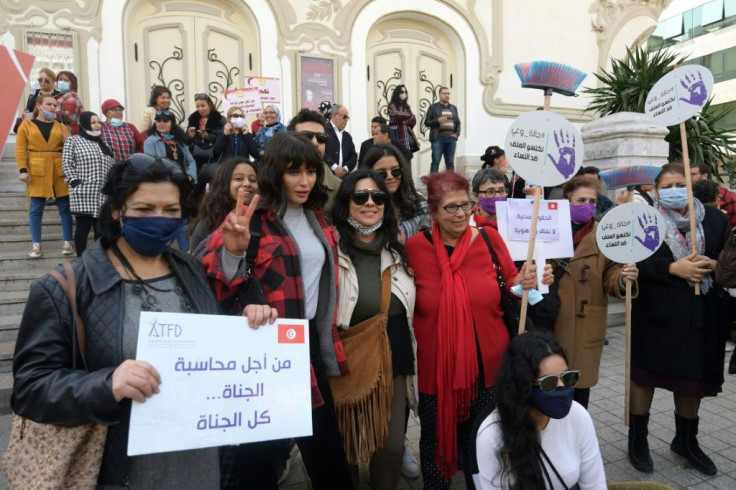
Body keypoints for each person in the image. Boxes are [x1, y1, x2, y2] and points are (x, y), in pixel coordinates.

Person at [11, 154, 275, 488]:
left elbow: (211, 344)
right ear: (118, 211)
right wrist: (106, 385)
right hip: (119, 473)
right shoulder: (64, 287)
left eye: (171, 211)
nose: (159, 219)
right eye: (144, 209)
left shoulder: (190, 269)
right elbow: (30, 389)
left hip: (200, 467)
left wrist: (250, 322)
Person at [201, 132, 353, 489]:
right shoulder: (250, 218)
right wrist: (233, 253)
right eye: (293, 171)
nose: (304, 181)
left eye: (311, 171)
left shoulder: (320, 218)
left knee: (329, 457)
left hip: (310, 347)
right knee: (258, 463)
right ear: (273, 173)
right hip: (262, 353)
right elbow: (212, 281)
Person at [405, 171, 551, 487]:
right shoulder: (415, 248)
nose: (461, 213)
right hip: (436, 369)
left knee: (482, 440)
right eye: (451, 207)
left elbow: (511, 283)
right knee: (432, 440)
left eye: (466, 205)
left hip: (489, 365)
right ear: (432, 211)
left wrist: (526, 281)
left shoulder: (488, 238)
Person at [629, 163, 730, 476]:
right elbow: (633, 265)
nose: (673, 189)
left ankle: (686, 440)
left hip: (702, 313)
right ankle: (638, 439)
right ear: (657, 189)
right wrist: (672, 268)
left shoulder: (715, 219)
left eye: (679, 183)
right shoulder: (644, 219)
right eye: (666, 184)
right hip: (656, 311)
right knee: (645, 374)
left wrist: (715, 265)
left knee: (692, 378)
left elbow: (728, 260)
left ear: (692, 184)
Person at [332, 168, 417, 488]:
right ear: (346, 202)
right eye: (360, 196)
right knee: (346, 443)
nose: (370, 203)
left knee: (391, 444)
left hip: (394, 348)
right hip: (346, 351)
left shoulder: (400, 247)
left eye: (378, 197)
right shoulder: (331, 247)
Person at [473, 332, 607, 489]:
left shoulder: (577, 415)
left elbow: (595, 484)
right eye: (549, 382)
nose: (562, 387)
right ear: (523, 386)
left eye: (567, 377)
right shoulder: (491, 435)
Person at [551, 176, 638, 408]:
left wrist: (622, 278)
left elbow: (612, 273)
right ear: (567, 200)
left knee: (579, 391)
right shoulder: (548, 227)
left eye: (592, 201)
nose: (587, 206)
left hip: (586, 322)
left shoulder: (605, 234)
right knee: (549, 385)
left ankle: (579, 438)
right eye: (580, 200)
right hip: (552, 320)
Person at [15, 95, 74, 258]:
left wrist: (68, 140)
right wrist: (22, 170)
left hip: (58, 168)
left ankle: (69, 241)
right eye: (49, 104)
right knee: (35, 208)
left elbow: (72, 147)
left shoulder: (60, 125)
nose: (53, 108)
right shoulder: (26, 125)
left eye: (55, 105)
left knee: (65, 207)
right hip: (36, 169)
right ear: (39, 106)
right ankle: (36, 244)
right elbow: (20, 149)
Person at [61, 111, 116, 256]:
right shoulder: (74, 141)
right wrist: (74, 181)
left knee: (100, 229)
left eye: (99, 122)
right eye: (93, 122)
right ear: (84, 124)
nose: (97, 125)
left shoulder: (105, 145)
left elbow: (111, 168)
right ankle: (81, 260)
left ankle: (98, 259)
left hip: (102, 194)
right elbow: (67, 163)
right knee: (83, 227)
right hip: (83, 191)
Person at [143, 109, 196, 252]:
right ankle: (160, 252)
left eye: (165, 121)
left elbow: (191, 161)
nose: (161, 123)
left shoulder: (179, 141)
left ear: (171, 123)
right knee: (164, 218)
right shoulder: (151, 141)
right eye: (158, 121)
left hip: (182, 185)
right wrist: (176, 173)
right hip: (163, 184)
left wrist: (190, 175)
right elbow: (154, 162)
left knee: (183, 218)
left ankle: (186, 253)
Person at [190, 157, 258, 253]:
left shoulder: (263, 218)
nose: (247, 183)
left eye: (253, 180)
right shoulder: (208, 223)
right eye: (239, 178)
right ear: (225, 183)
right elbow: (195, 264)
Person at [361, 144, 429, 240]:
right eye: (381, 173)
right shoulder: (362, 208)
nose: (390, 176)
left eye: (395, 171)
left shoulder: (419, 204)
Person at [286, 108, 343, 212]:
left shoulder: (340, 188)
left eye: (321, 137)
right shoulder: (275, 182)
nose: (315, 142)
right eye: (306, 136)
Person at [185, 93, 225, 173]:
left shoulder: (219, 119)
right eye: (198, 106)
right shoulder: (193, 119)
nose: (200, 109)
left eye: (203, 106)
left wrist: (208, 136)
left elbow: (223, 139)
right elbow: (186, 141)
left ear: (209, 105)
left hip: (214, 158)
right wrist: (190, 136)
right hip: (196, 158)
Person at [424, 87, 460, 173]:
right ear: (439, 95)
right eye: (444, 93)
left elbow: (458, 123)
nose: (447, 95)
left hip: (451, 139)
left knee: (450, 163)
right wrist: (437, 121)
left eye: (448, 93)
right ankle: (432, 185)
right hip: (438, 138)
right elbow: (427, 122)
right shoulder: (433, 107)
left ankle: (451, 185)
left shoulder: (453, 108)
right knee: (435, 162)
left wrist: (457, 134)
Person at [14, 68, 61, 133]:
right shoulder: (33, 94)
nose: (43, 82)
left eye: (46, 80)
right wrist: (26, 113)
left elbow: (61, 114)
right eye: (40, 80)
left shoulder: (59, 95)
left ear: (53, 81)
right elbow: (29, 109)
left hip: (53, 128)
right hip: (33, 129)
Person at [690, 162, 736, 226]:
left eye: (692, 174)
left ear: (704, 176)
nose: (689, 177)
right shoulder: (688, 193)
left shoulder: (723, 194)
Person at [324, 103, 357, 177]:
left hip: (344, 177)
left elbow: (353, 156)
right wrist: (334, 167)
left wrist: (345, 169)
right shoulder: (324, 130)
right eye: (344, 117)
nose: (346, 120)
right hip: (327, 176)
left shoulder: (347, 136)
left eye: (347, 118)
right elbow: (321, 151)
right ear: (335, 115)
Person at [387, 84, 418, 162]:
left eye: (405, 92)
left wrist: (406, 118)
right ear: (397, 93)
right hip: (395, 134)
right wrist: (407, 117)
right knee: (396, 157)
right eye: (402, 92)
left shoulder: (406, 106)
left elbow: (413, 120)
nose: (404, 94)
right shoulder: (392, 105)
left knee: (406, 158)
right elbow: (397, 116)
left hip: (406, 135)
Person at [55, 70, 84, 135]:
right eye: (60, 79)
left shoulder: (71, 96)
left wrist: (51, 113)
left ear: (72, 83)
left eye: (66, 80)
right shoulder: (63, 95)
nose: (62, 82)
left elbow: (69, 116)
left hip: (69, 132)